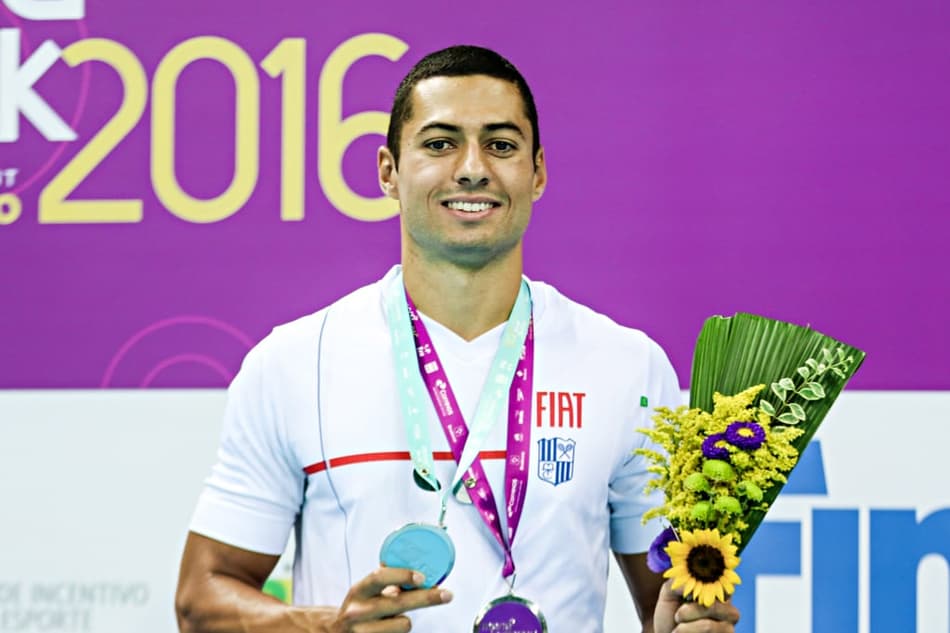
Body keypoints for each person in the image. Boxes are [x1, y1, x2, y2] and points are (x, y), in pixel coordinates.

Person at [175, 45, 740, 633]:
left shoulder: (627, 367)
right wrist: (324, 628)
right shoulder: (293, 364)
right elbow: (203, 598)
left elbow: (668, 604)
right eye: (440, 143)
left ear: (538, 172)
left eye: (500, 144)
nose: (472, 168)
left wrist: (689, 622)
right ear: (388, 172)